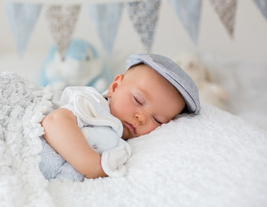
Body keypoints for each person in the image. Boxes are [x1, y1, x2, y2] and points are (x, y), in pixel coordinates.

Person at [41, 53, 201, 179]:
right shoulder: (92, 103)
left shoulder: (123, 145)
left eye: (157, 120)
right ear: (115, 86)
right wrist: (94, 167)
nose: (142, 117)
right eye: (138, 100)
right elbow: (54, 122)